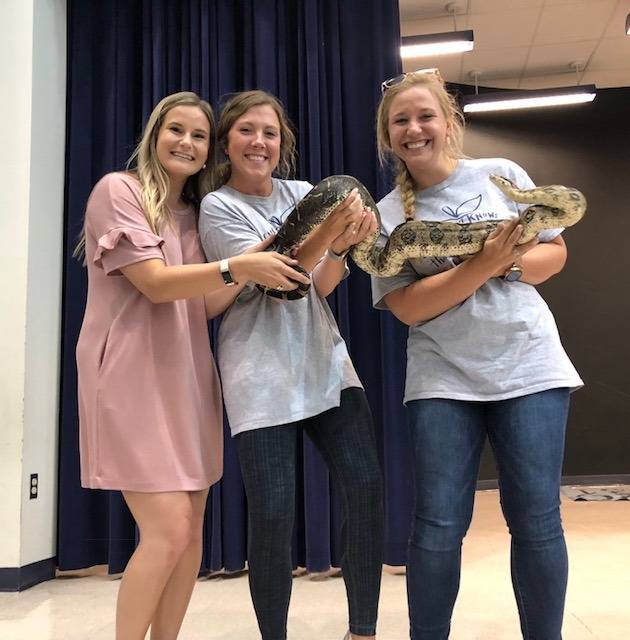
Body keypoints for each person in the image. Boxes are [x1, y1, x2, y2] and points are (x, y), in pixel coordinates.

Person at [75, 91, 309, 640]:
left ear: (209, 152)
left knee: (190, 532)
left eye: (198, 136)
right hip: (130, 377)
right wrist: (239, 265)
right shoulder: (120, 190)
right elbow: (155, 284)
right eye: (175, 130)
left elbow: (204, 303)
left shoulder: (196, 214)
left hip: (188, 378)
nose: (186, 142)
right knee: (167, 528)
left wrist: (265, 255)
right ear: (155, 136)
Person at [371, 70, 583, 639]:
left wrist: (508, 262)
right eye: (401, 121)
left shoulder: (502, 178)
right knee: (438, 524)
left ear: (448, 123)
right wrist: (486, 264)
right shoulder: (388, 215)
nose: (414, 129)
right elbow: (408, 307)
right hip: (442, 378)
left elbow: (552, 256)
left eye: (425, 116)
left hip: (528, 367)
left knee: (537, 521)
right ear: (387, 135)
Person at [198, 90, 384, 640]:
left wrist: (345, 246)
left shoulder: (302, 193)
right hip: (258, 374)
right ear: (227, 143)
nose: (260, 142)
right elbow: (277, 278)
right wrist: (328, 233)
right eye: (248, 131)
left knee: (366, 488)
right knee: (275, 515)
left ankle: (364, 631)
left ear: (284, 143)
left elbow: (318, 287)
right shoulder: (219, 206)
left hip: (325, 364)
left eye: (271, 133)